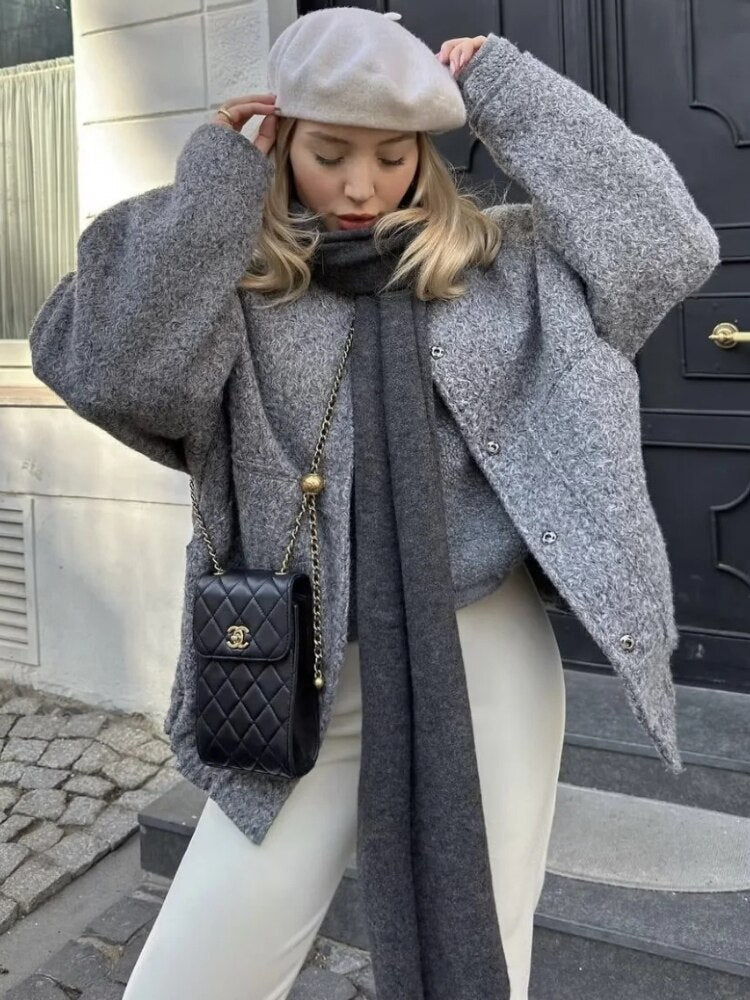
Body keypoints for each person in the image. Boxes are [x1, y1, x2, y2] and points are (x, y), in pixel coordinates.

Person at [28, 9, 719, 1000]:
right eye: (330, 152)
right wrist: (214, 185)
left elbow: (669, 247)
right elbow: (115, 374)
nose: (362, 186)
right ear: (280, 141)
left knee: (484, 957)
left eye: (394, 156)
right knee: (191, 977)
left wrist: (514, 95)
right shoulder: (238, 285)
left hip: (484, 657)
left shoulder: (500, 267)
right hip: (290, 671)